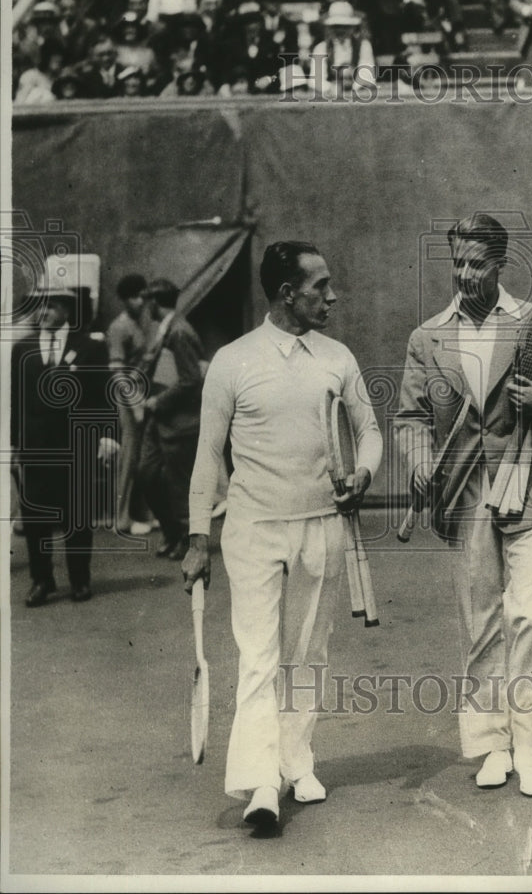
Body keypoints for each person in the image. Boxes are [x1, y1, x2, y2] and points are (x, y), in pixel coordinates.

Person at [181, 241, 382, 830]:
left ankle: (297, 760)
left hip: (322, 525)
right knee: (260, 656)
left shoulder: (338, 357)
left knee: (308, 655)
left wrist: (364, 473)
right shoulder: (232, 361)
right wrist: (198, 538)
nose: (333, 296)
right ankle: (261, 783)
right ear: (288, 293)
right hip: (253, 529)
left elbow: (369, 431)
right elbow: (206, 456)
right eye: (321, 286)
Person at [396, 213, 532, 798]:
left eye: (477, 263)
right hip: (465, 496)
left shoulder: (531, 321)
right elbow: (410, 419)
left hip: (530, 489)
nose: (464, 274)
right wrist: (422, 462)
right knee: (480, 626)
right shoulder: (427, 336)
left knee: (531, 616)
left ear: (500, 264)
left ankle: (526, 743)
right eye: (458, 262)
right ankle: (490, 744)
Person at [11, 284, 119, 606]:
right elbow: (17, 402)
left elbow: (104, 396)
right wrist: (16, 446)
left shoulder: (89, 348)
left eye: (51, 307)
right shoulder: (23, 349)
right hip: (35, 447)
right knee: (35, 518)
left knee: (76, 516)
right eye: (38, 307)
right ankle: (42, 581)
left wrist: (108, 435)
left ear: (67, 312)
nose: (42, 313)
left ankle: (80, 580)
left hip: (76, 444)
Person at [137, 279, 204, 562]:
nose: (145, 307)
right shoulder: (166, 329)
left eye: (147, 302)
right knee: (146, 476)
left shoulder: (179, 332)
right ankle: (171, 530)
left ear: (155, 302)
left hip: (180, 422)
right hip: (160, 419)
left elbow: (191, 379)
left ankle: (186, 541)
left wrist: (158, 401)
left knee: (180, 486)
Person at [107, 273, 155, 536]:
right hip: (126, 397)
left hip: (142, 393)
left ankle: (142, 513)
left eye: (142, 296)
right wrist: (135, 404)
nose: (140, 301)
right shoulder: (119, 327)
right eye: (135, 297)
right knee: (129, 457)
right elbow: (116, 372)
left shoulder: (142, 322)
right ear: (125, 300)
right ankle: (121, 518)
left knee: (143, 457)